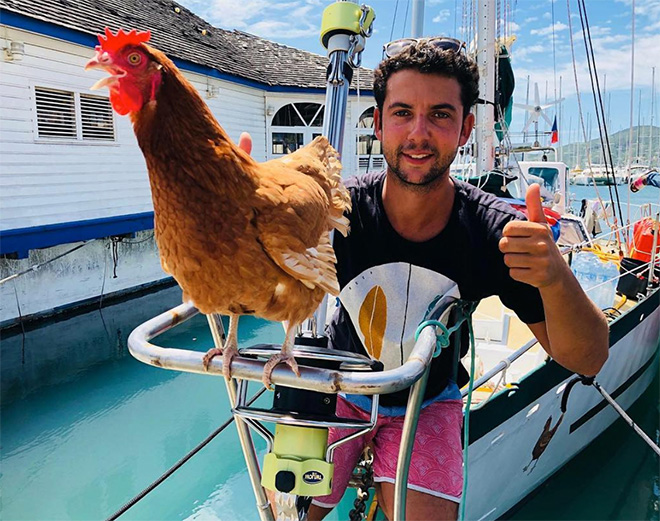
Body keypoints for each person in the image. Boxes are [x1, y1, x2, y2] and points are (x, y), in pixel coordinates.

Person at [238, 37, 608, 521]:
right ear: (378, 122)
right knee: (284, 513)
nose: (418, 133)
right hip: (339, 388)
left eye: (439, 114)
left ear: (465, 127)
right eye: (402, 112)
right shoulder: (334, 212)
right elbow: (254, 284)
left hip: (428, 398)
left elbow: (588, 358)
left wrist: (556, 276)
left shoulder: (492, 232)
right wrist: (238, 214)